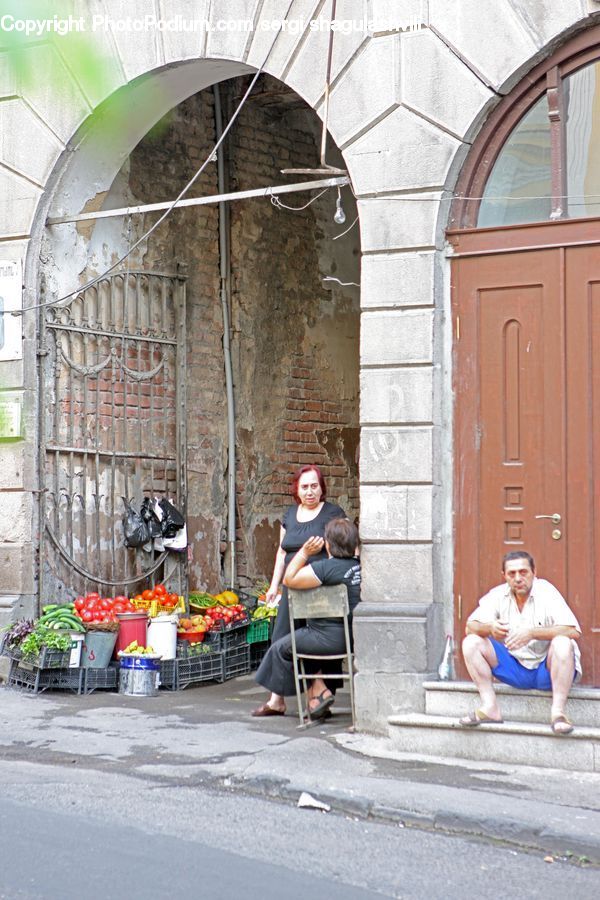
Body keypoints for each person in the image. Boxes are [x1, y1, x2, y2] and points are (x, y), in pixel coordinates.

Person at [251, 465, 347, 717]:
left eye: (314, 486)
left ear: (322, 487)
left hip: (319, 585)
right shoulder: (290, 515)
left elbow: (345, 545)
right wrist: (274, 586)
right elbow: (282, 552)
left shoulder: (333, 513)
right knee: (282, 638)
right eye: (304, 487)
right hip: (291, 587)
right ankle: (277, 700)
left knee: (317, 639)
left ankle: (318, 696)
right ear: (297, 489)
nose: (310, 491)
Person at [460, 551, 582, 735]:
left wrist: (532, 633)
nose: (518, 578)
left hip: (546, 672)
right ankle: (490, 708)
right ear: (504, 576)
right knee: (471, 642)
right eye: (512, 573)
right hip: (515, 669)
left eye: (523, 572)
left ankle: (558, 713)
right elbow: (471, 626)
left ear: (534, 572)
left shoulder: (546, 591)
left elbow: (573, 630)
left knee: (563, 643)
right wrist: (490, 628)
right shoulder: (499, 594)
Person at [252, 517, 360, 718]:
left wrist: (304, 552)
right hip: (356, 638)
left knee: (282, 649)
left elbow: (289, 579)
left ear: (327, 544)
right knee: (298, 646)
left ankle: (313, 693)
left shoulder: (325, 568)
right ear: (355, 544)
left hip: (326, 639)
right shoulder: (361, 567)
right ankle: (317, 693)